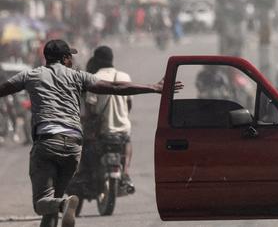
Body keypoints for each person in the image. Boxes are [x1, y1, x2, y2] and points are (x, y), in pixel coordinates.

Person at [0, 39, 182, 227]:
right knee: (53, 201)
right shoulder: (77, 76)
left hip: (47, 143)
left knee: (42, 203)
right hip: (72, 146)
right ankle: (63, 203)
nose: (72, 60)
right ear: (65, 59)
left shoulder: (31, 75)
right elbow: (115, 87)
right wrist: (153, 87)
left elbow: (4, 89)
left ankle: (63, 204)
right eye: (70, 56)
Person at [83, 46, 135, 192]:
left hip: (103, 131)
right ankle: (125, 172)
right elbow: (129, 105)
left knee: (88, 150)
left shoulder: (93, 78)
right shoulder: (125, 77)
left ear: (96, 60)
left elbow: (90, 109)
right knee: (128, 141)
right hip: (123, 129)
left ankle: (92, 177)